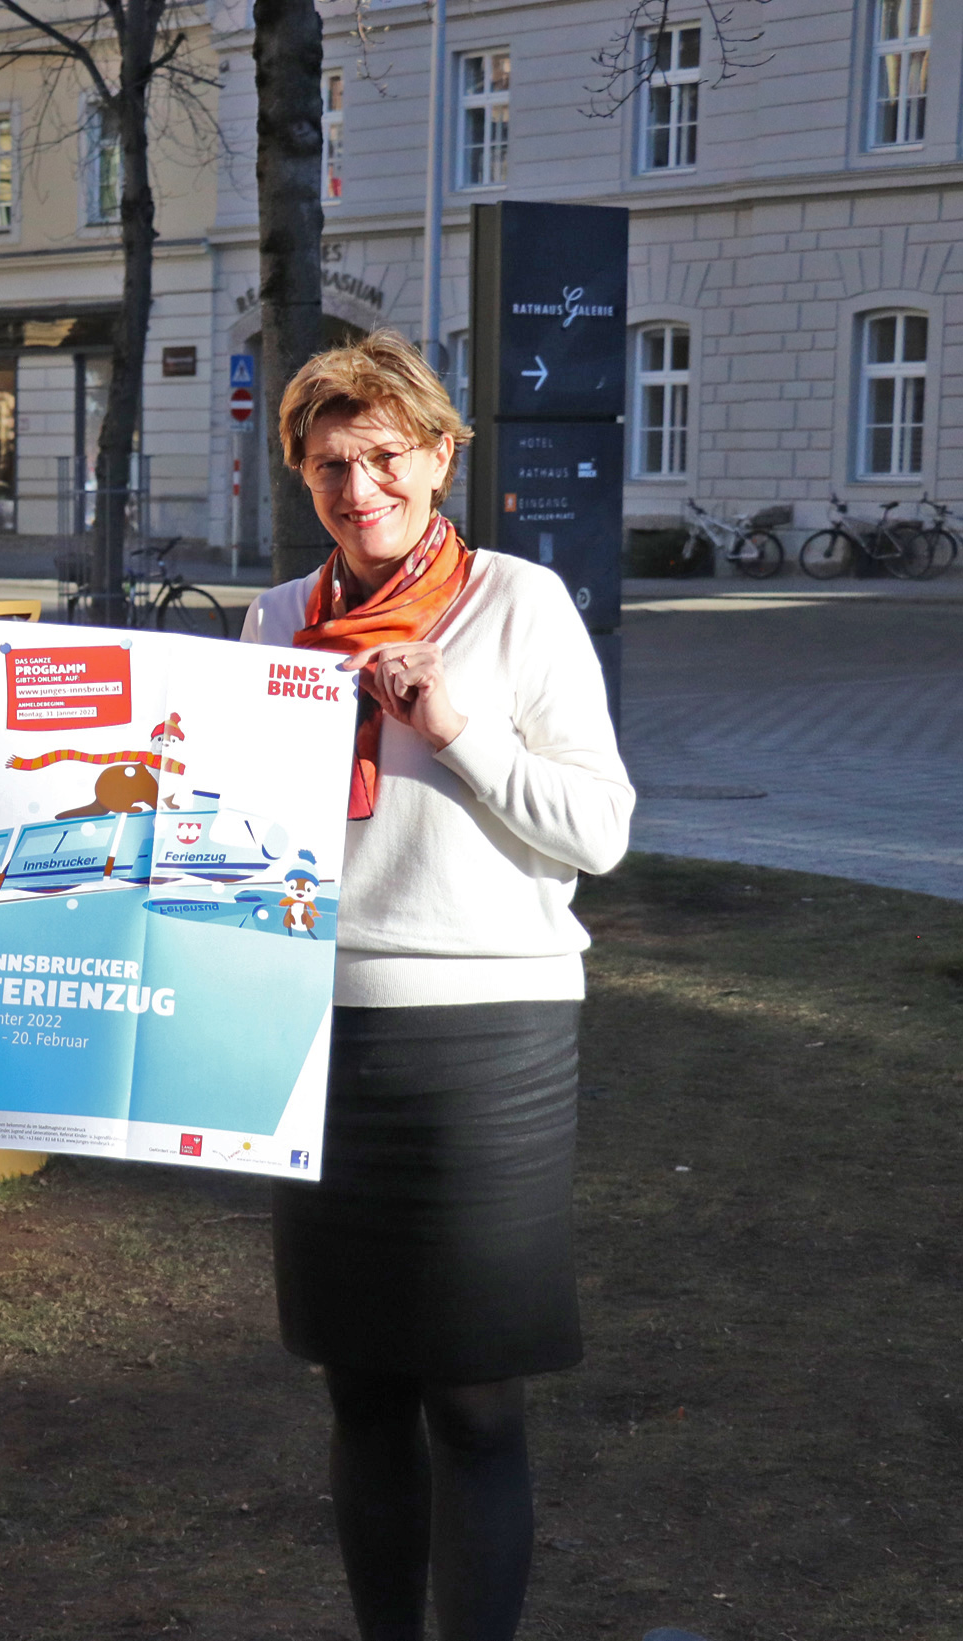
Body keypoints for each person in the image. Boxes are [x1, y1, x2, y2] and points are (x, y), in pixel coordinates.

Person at [239, 330, 634, 1641]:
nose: (358, 491)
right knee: (355, 1385)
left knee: (471, 1395)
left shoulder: (518, 604)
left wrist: (454, 726)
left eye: (383, 459)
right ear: (301, 477)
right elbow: (232, 841)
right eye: (329, 467)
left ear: (438, 455)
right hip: (318, 1034)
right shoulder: (273, 625)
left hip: (489, 1039)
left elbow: (597, 830)